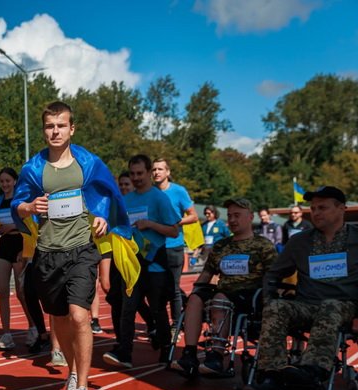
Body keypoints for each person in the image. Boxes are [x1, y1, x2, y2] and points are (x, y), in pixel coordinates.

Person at [12, 101, 132, 390]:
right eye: (50, 126)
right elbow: (18, 205)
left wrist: (104, 217)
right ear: (44, 130)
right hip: (48, 253)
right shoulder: (33, 168)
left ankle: (82, 389)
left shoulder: (88, 163)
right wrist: (28, 208)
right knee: (60, 319)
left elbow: (107, 193)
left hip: (81, 249)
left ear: (71, 128)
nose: (55, 131)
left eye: (61, 125)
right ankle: (74, 375)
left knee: (80, 316)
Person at [238, 186, 358, 390]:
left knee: (330, 306)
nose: (316, 213)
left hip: (346, 307)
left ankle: (312, 373)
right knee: (277, 308)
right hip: (306, 306)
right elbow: (274, 273)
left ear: (342, 209)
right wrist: (269, 297)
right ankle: (271, 378)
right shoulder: (300, 242)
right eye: (313, 208)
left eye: (323, 207)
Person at [171, 198, 276, 377]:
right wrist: (196, 291)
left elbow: (273, 275)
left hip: (249, 297)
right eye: (230, 216)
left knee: (220, 299)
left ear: (250, 217)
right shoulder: (221, 246)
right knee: (195, 299)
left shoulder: (263, 245)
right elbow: (206, 274)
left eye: (237, 215)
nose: (232, 220)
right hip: (222, 292)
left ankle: (216, 357)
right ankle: (189, 355)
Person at [103, 155, 180, 368]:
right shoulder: (126, 201)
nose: (136, 178)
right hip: (132, 263)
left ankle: (166, 347)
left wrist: (151, 224)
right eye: (133, 173)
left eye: (140, 173)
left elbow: (174, 231)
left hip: (154, 262)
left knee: (157, 308)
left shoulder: (159, 198)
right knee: (128, 307)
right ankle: (125, 353)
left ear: (148, 173)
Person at [153, 158, 198, 328]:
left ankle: (176, 324)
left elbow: (193, 216)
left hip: (173, 245)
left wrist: (176, 221)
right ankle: (159, 324)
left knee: (173, 288)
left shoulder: (179, 191)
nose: (156, 172)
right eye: (154, 169)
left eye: (160, 169)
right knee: (155, 289)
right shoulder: (149, 192)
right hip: (154, 247)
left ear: (168, 172)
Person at [0, 168, 30, 351]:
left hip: (20, 244)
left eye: (8, 181)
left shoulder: (20, 200)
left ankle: (34, 327)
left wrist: (10, 227)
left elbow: (29, 222)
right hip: (4, 245)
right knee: (3, 291)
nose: (5, 184)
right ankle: (6, 334)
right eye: (2, 181)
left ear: (15, 181)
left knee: (22, 292)